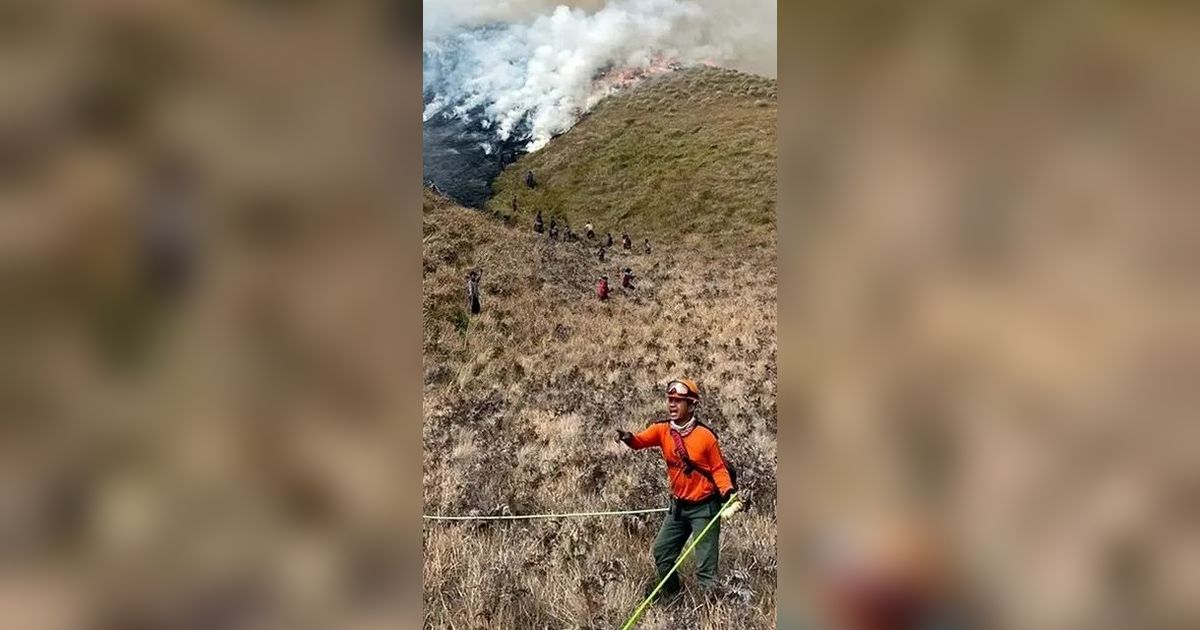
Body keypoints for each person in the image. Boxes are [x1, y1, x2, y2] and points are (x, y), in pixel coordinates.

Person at [616, 379, 739, 602]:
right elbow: (640, 441)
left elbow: (719, 469)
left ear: (692, 405)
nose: (672, 405)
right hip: (678, 508)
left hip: (705, 508)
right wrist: (629, 438)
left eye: (678, 401)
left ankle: (711, 615)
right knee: (662, 553)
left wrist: (728, 493)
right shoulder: (662, 430)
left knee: (705, 570)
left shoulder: (706, 437)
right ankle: (672, 595)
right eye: (670, 400)